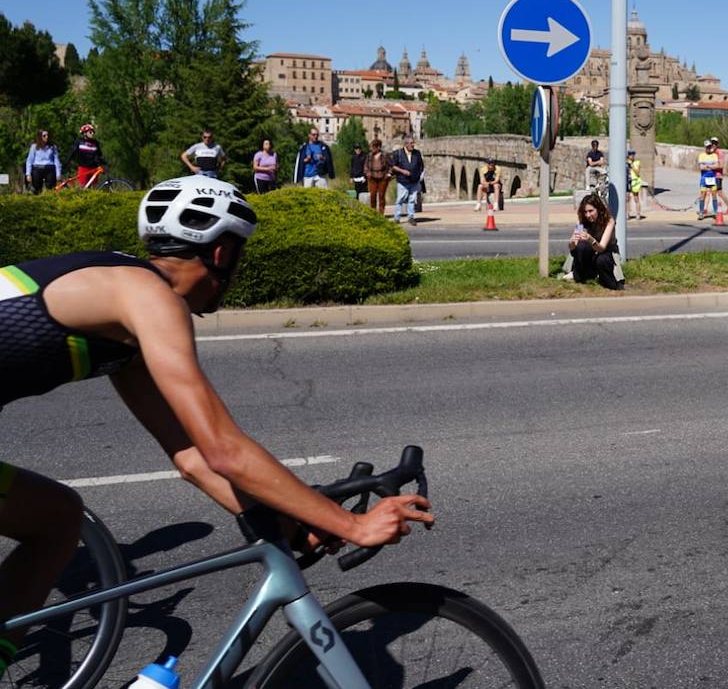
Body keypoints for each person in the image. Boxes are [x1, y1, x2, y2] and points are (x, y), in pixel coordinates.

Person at [0, 177, 433, 669]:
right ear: (222, 254)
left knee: (58, 519)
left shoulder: (124, 311)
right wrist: (352, 524)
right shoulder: (149, 298)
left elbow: (192, 457)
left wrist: (294, 520)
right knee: (56, 520)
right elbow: (224, 448)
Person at [566, 193, 623, 290]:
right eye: (585, 212)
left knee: (601, 259)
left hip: (606, 252)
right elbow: (574, 246)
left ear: (599, 209)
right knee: (581, 246)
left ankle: (608, 282)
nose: (588, 215)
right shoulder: (582, 220)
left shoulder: (609, 221)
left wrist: (590, 239)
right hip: (591, 252)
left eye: (591, 211)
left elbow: (602, 248)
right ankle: (580, 275)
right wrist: (571, 243)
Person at [391, 135, 424, 226]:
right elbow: (393, 166)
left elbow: (421, 165)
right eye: (411, 143)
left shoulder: (417, 153)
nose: (413, 145)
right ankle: (397, 218)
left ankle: (411, 217)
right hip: (403, 181)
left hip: (414, 180)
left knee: (412, 200)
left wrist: (419, 175)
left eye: (413, 143)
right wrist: (402, 171)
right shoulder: (398, 153)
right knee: (400, 199)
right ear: (406, 144)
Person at [68, 124, 106, 189]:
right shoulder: (79, 142)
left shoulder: (95, 143)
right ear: (85, 133)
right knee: (82, 187)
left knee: (94, 188)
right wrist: (66, 163)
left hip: (94, 168)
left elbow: (99, 155)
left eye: (93, 132)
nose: (92, 134)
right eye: (90, 132)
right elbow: (72, 153)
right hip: (83, 168)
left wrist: (104, 163)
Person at [363, 138, 391, 215]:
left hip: (383, 178)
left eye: (373, 147)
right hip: (372, 178)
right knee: (372, 196)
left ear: (378, 147)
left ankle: (381, 213)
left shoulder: (385, 155)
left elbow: (391, 165)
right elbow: (365, 166)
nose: (371, 149)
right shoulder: (369, 155)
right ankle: (373, 212)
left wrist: (388, 174)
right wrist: (367, 173)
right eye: (371, 147)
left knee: (381, 196)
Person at [697, 140, 720, 219]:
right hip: (704, 178)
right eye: (707, 147)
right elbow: (701, 167)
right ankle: (701, 212)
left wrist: (708, 166)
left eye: (710, 147)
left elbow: (717, 165)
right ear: (705, 147)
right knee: (703, 194)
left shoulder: (714, 155)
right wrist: (710, 166)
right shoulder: (701, 155)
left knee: (714, 194)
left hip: (712, 178)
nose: (709, 148)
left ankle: (715, 212)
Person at [627, 149, 645, 219]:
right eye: (630, 155)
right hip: (628, 181)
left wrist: (632, 165)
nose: (632, 156)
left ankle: (638, 214)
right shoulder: (626, 163)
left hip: (635, 182)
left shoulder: (637, 162)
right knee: (627, 198)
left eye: (633, 155)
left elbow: (637, 172)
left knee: (636, 198)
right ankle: (627, 213)